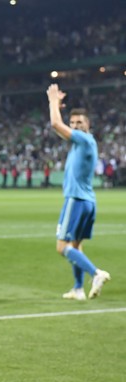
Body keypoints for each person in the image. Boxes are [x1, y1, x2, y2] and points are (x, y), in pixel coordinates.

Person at [46, 83, 111, 300]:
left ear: (88, 125)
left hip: (76, 200)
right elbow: (62, 127)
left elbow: (56, 123)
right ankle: (78, 288)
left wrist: (53, 101)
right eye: (72, 123)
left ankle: (96, 273)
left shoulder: (83, 139)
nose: (75, 126)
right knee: (76, 245)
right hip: (88, 201)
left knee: (61, 246)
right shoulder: (82, 143)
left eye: (79, 123)